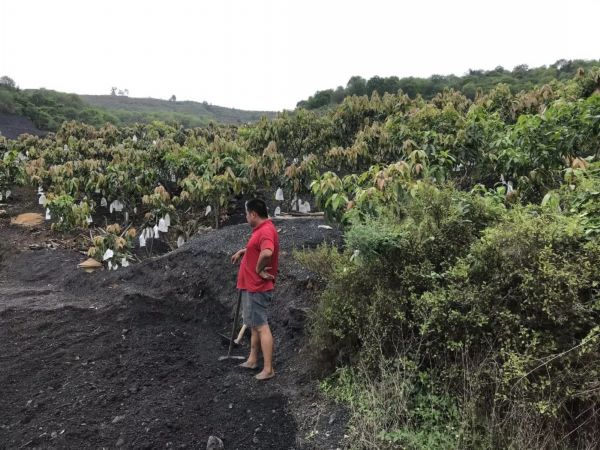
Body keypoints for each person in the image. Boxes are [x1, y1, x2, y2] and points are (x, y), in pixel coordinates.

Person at [231, 198, 279, 380]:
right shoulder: (262, 229)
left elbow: (267, 252)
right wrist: (245, 251)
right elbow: (258, 248)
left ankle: (268, 369)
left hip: (258, 286)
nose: (245, 217)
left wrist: (258, 269)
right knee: (254, 324)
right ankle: (252, 360)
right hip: (251, 285)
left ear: (253, 214)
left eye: (246, 214)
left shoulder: (266, 230)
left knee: (261, 326)